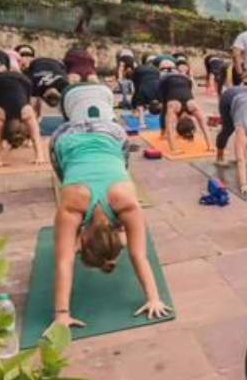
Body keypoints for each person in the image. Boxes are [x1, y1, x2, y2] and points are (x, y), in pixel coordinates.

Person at [50, 85, 172, 328]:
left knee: (76, 182)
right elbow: (139, 255)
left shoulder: (81, 204)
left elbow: (65, 262)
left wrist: (62, 314)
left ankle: (71, 235)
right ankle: (72, 236)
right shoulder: (79, 203)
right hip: (71, 137)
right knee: (69, 180)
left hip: (110, 131)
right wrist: (153, 298)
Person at [0, 70, 48, 169]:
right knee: (5, 100)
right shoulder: (1, 114)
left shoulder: (24, 113)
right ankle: (27, 142)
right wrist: (40, 157)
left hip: (21, 80)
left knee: (21, 101)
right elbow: (35, 135)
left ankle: (26, 142)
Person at [158, 70, 211, 154]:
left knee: (167, 113)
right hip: (166, 79)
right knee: (164, 107)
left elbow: (170, 129)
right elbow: (204, 126)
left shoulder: (193, 106)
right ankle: (162, 133)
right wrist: (174, 149)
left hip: (185, 78)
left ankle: (162, 133)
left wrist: (210, 146)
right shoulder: (187, 107)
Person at [130, 59, 168, 126]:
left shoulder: (161, 97)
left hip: (153, 70)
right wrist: (142, 124)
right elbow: (141, 109)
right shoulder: (159, 97)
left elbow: (165, 109)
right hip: (140, 71)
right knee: (137, 91)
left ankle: (133, 112)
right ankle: (133, 111)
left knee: (137, 91)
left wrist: (142, 124)